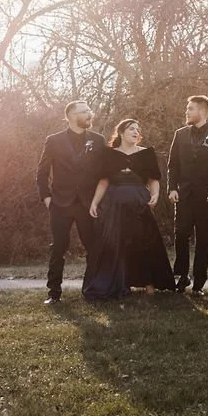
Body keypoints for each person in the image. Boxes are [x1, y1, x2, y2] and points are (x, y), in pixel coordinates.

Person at [84, 119, 175, 300]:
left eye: (137, 129)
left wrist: (155, 195)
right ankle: (119, 283)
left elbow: (153, 179)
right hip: (114, 202)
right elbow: (104, 181)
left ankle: (150, 284)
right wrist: (94, 202)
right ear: (121, 132)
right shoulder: (109, 154)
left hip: (139, 200)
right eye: (131, 129)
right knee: (116, 243)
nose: (136, 132)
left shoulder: (146, 154)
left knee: (143, 241)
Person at [35, 100, 106, 304]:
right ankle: (53, 294)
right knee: (58, 248)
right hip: (60, 203)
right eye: (84, 111)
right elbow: (41, 173)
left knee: (93, 247)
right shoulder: (53, 140)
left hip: (87, 204)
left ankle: (92, 290)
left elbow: (105, 172)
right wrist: (47, 199)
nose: (89, 114)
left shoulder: (98, 140)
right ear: (71, 116)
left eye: (89, 110)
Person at [167, 95, 208, 296]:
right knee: (181, 235)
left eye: (190, 108)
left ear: (202, 111)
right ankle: (182, 275)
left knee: (203, 239)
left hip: (207, 196)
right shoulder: (180, 134)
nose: (186, 112)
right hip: (184, 195)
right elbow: (172, 165)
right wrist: (172, 188)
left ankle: (199, 283)